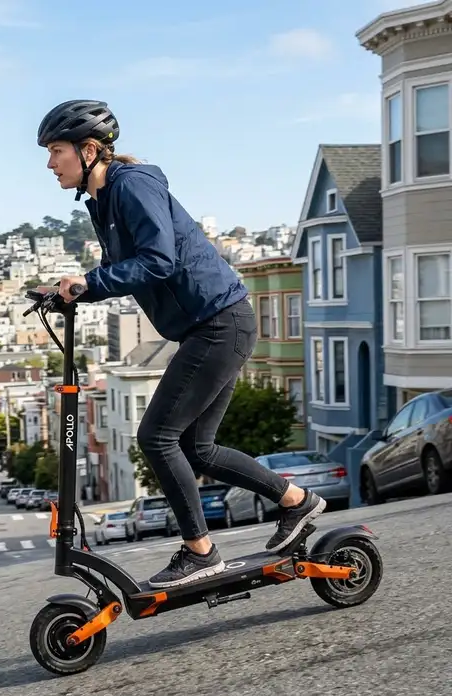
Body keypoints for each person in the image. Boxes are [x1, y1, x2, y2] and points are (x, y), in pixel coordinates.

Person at [35, 99, 326, 588]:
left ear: (88, 150)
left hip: (218, 323)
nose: (49, 164)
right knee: (198, 449)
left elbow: (159, 259)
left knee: (156, 436)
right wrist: (71, 291)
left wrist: (89, 281)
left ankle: (200, 551)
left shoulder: (132, 186)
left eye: (55, 151)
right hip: (210, 325)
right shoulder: (104, 201)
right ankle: (298, 503)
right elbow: (131, 271)